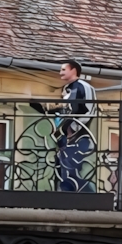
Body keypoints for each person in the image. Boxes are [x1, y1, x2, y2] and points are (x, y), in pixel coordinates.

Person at [31, 61, 97, 192]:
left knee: (68, 169)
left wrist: (66, 129)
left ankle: (79, 195)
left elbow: (78, 110)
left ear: (73, 70)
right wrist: (44, 110)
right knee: (67, 169)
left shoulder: (77, 87)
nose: (60, 72)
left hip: (76, 136)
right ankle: (71, 194)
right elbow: (67, 111)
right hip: (76, 135)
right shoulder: (78, 87)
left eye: (63, 69)